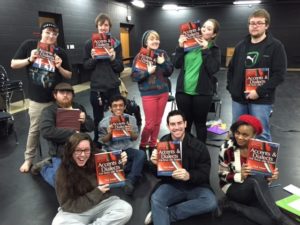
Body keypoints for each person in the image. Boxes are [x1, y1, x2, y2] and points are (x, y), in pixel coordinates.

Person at [11, 22, 72, 173]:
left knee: (64, 127)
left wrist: (59, 66)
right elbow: (13, 64)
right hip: (37, 100)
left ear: (57, 36)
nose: (51, 36)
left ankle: (65, 154)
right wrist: (29, 59)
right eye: (48, 32)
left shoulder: (60, 52)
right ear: (41, 33)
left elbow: (69, 75)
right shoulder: (29, 45)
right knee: (34, 130)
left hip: (57, 99)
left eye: (54, 33)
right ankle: (28, 159)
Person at [218, 114, 295, 225]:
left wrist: (270, 176)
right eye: (237, 133)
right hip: (234, 189)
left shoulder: (263, 150)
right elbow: (221, 175)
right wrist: (240, 175)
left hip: (254, 190)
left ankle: (233, 206)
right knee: (255, 180)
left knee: (269, 221)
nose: (239, 137)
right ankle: (281, 219)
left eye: (245, 135)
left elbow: (263, 180)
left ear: (254, 135)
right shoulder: (227, 148)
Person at [145, 110, 217, 225]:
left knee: (211, 202)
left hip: (195, 186)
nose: (177, 127)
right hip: (172, 185)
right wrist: (154, 164)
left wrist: (189, 175)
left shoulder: (199, 146)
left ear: (185, 124)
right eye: (173, 124)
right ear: (168, 126)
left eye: (179, 123)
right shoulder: (163, 142)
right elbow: (157, 175)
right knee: (156, 198)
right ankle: (160, 213)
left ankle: (165, 213)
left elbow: (204, 174)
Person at [227, 9, 287, 141]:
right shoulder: (241, 46)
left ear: (267, 25)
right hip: (239, 99)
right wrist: (231, 89)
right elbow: (231, 69)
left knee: (262, 134)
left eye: (259, 23)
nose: (255, 26)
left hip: (261, 100)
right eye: (252, 23)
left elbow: (279, 75)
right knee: (237, 134)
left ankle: (259, 163)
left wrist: (259, 91)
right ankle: (239, 162)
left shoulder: (276, 46)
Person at [52, 132, 132, 225]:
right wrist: (98, 191)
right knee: (58, 223)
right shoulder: (62, 173)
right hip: (77, 210)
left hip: (102, 203)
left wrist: (119, 164)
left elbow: (113, 178)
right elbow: (67, 205)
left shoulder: (99, 158)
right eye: (78, 150)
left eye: (86, 150)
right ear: (70, 151)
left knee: (126, 209)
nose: (82, 155)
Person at [31, 82, 94, 187]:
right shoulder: (49, 111)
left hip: (80, 151)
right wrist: (73, 133)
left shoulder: (78, 107)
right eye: (62, 92)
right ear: (55, 95)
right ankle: (44, 168)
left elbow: (91, 127)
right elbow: (46, 131)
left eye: (68, 93)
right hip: (60, 153)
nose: (65, 95)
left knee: (90, 177)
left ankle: (52, 163)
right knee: (61, 185)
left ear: (73, 95)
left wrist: (85, 121)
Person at [173, 19, 221, 143]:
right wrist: (179, 47)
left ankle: (200, 153)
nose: (205, 29)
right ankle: (186, 151)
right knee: (185, 125)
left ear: (214, 34)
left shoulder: (214, 49)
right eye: (204, 27)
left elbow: (213, 69)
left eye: (209, 29)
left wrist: (205, 50)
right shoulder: (189, 45)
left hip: (202, 93)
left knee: (200, 124)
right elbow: (176, 64)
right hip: (183, 92)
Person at [83, 13, 124, 147]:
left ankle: (116, 138)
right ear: (97, 27)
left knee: (116, 116)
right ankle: (98, 141)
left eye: (106, 25)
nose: (103, 28)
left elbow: (120, 67)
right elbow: (86, 66)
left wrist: (112, 58)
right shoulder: (89, 44)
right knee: (98, 118)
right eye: (101, 25)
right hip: (97, 88)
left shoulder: (116, 44)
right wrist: (93, 58)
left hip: (113, 86)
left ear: (109, 27)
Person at [131, 30, 174, 156]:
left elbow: (170, 71)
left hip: (163, 92)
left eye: (157, 39)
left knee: (158, 122)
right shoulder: (140, 56)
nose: (155, 41)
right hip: (148, 93)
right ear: (146, 42)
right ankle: (143, 145)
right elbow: (134, 76)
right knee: (149, 124)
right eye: (152, 39)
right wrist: (147, 72)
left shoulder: (162, 54)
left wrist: (163, 63)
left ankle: (153, 143)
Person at [98, 95, 145, 195]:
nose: (118, 108)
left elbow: (135, 137)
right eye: (115, 106)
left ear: (124, 107)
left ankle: (130, 180)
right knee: (139, 163)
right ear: (110, 108)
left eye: (121, 105)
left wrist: (131, 132)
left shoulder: (131, 119)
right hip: (112, 151)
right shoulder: (103, 122)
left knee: (141, 154)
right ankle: (129, 169)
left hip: (127, 150)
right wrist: (109, 133)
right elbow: (102, 141)